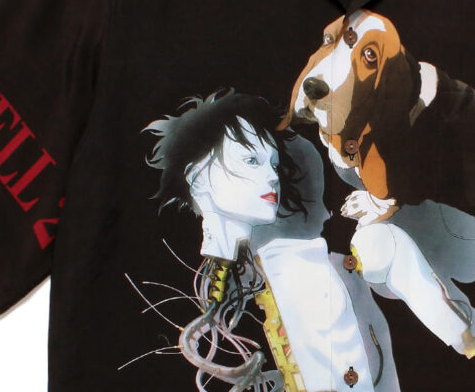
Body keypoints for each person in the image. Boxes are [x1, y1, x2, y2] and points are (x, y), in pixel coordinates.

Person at [131, 88, 398, 392]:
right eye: (250, 160)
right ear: (198, 177)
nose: (273, 176)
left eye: (272, 164)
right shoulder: (259, 269)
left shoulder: (298, 266)